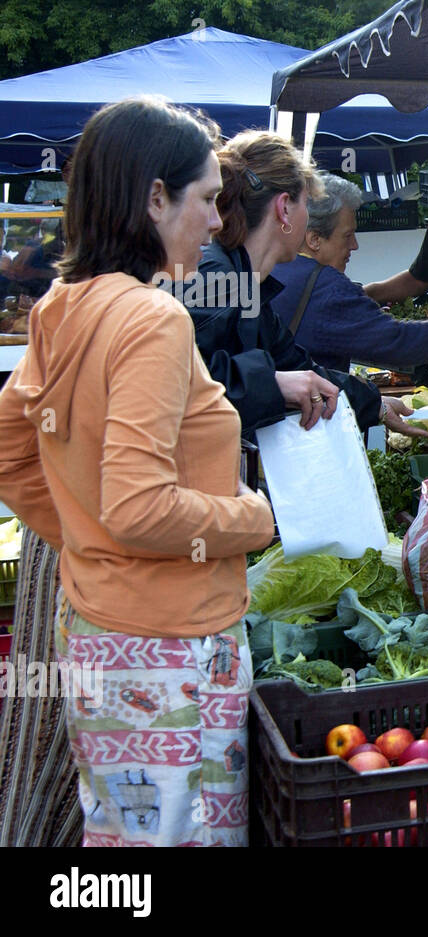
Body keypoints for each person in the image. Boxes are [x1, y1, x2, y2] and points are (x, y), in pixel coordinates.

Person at [0, 96, 277, 845]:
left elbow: (12, 449)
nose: (218, 222)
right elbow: (141, 507)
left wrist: (86, 537)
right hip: (169, 646)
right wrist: (254, 519)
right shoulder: (154, 317)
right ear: (155, 197)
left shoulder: (64, 303)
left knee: (124, 844)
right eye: (208, 200)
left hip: (101, 627)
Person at [184, 131, 424, 439]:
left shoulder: (247, 283)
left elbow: (297, 366)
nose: (308, 216)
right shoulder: (216, 276)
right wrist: (274, 385)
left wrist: (373, 402)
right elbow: (184, 380)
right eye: (306, 204)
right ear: (284, 209)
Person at [269, 173, 428, 373]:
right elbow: (399, 342)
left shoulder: (274, 269)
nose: (354, 245)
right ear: (314, 239)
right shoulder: (327, 290)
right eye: (347, 235)